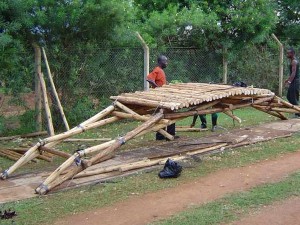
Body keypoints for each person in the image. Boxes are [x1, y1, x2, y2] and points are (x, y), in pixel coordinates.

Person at [146, 55, 177, 140]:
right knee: (167, 114)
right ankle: (162, 136)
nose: (166, 63)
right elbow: (149, 79)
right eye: (165, 61)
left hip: (164, 96)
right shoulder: (157, 70)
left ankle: (168, 135)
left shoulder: (161, 71)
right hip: (160, 97)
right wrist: (158, 88)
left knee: (169, 114)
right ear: (160, 62)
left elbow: (160, 81)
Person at [285, 48, 300, 117]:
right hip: (294, 81)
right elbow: (292, 73)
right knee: (290, 96)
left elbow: (294, 73)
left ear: (293, 54)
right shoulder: (292, 61)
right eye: (287, 53)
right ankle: (297, 112)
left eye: (289, 53)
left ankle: (298, 112)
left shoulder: (294, 61)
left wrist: (289, 82)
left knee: (292, 97)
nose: (287, 54)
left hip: (295, 82)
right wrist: (288, 79)